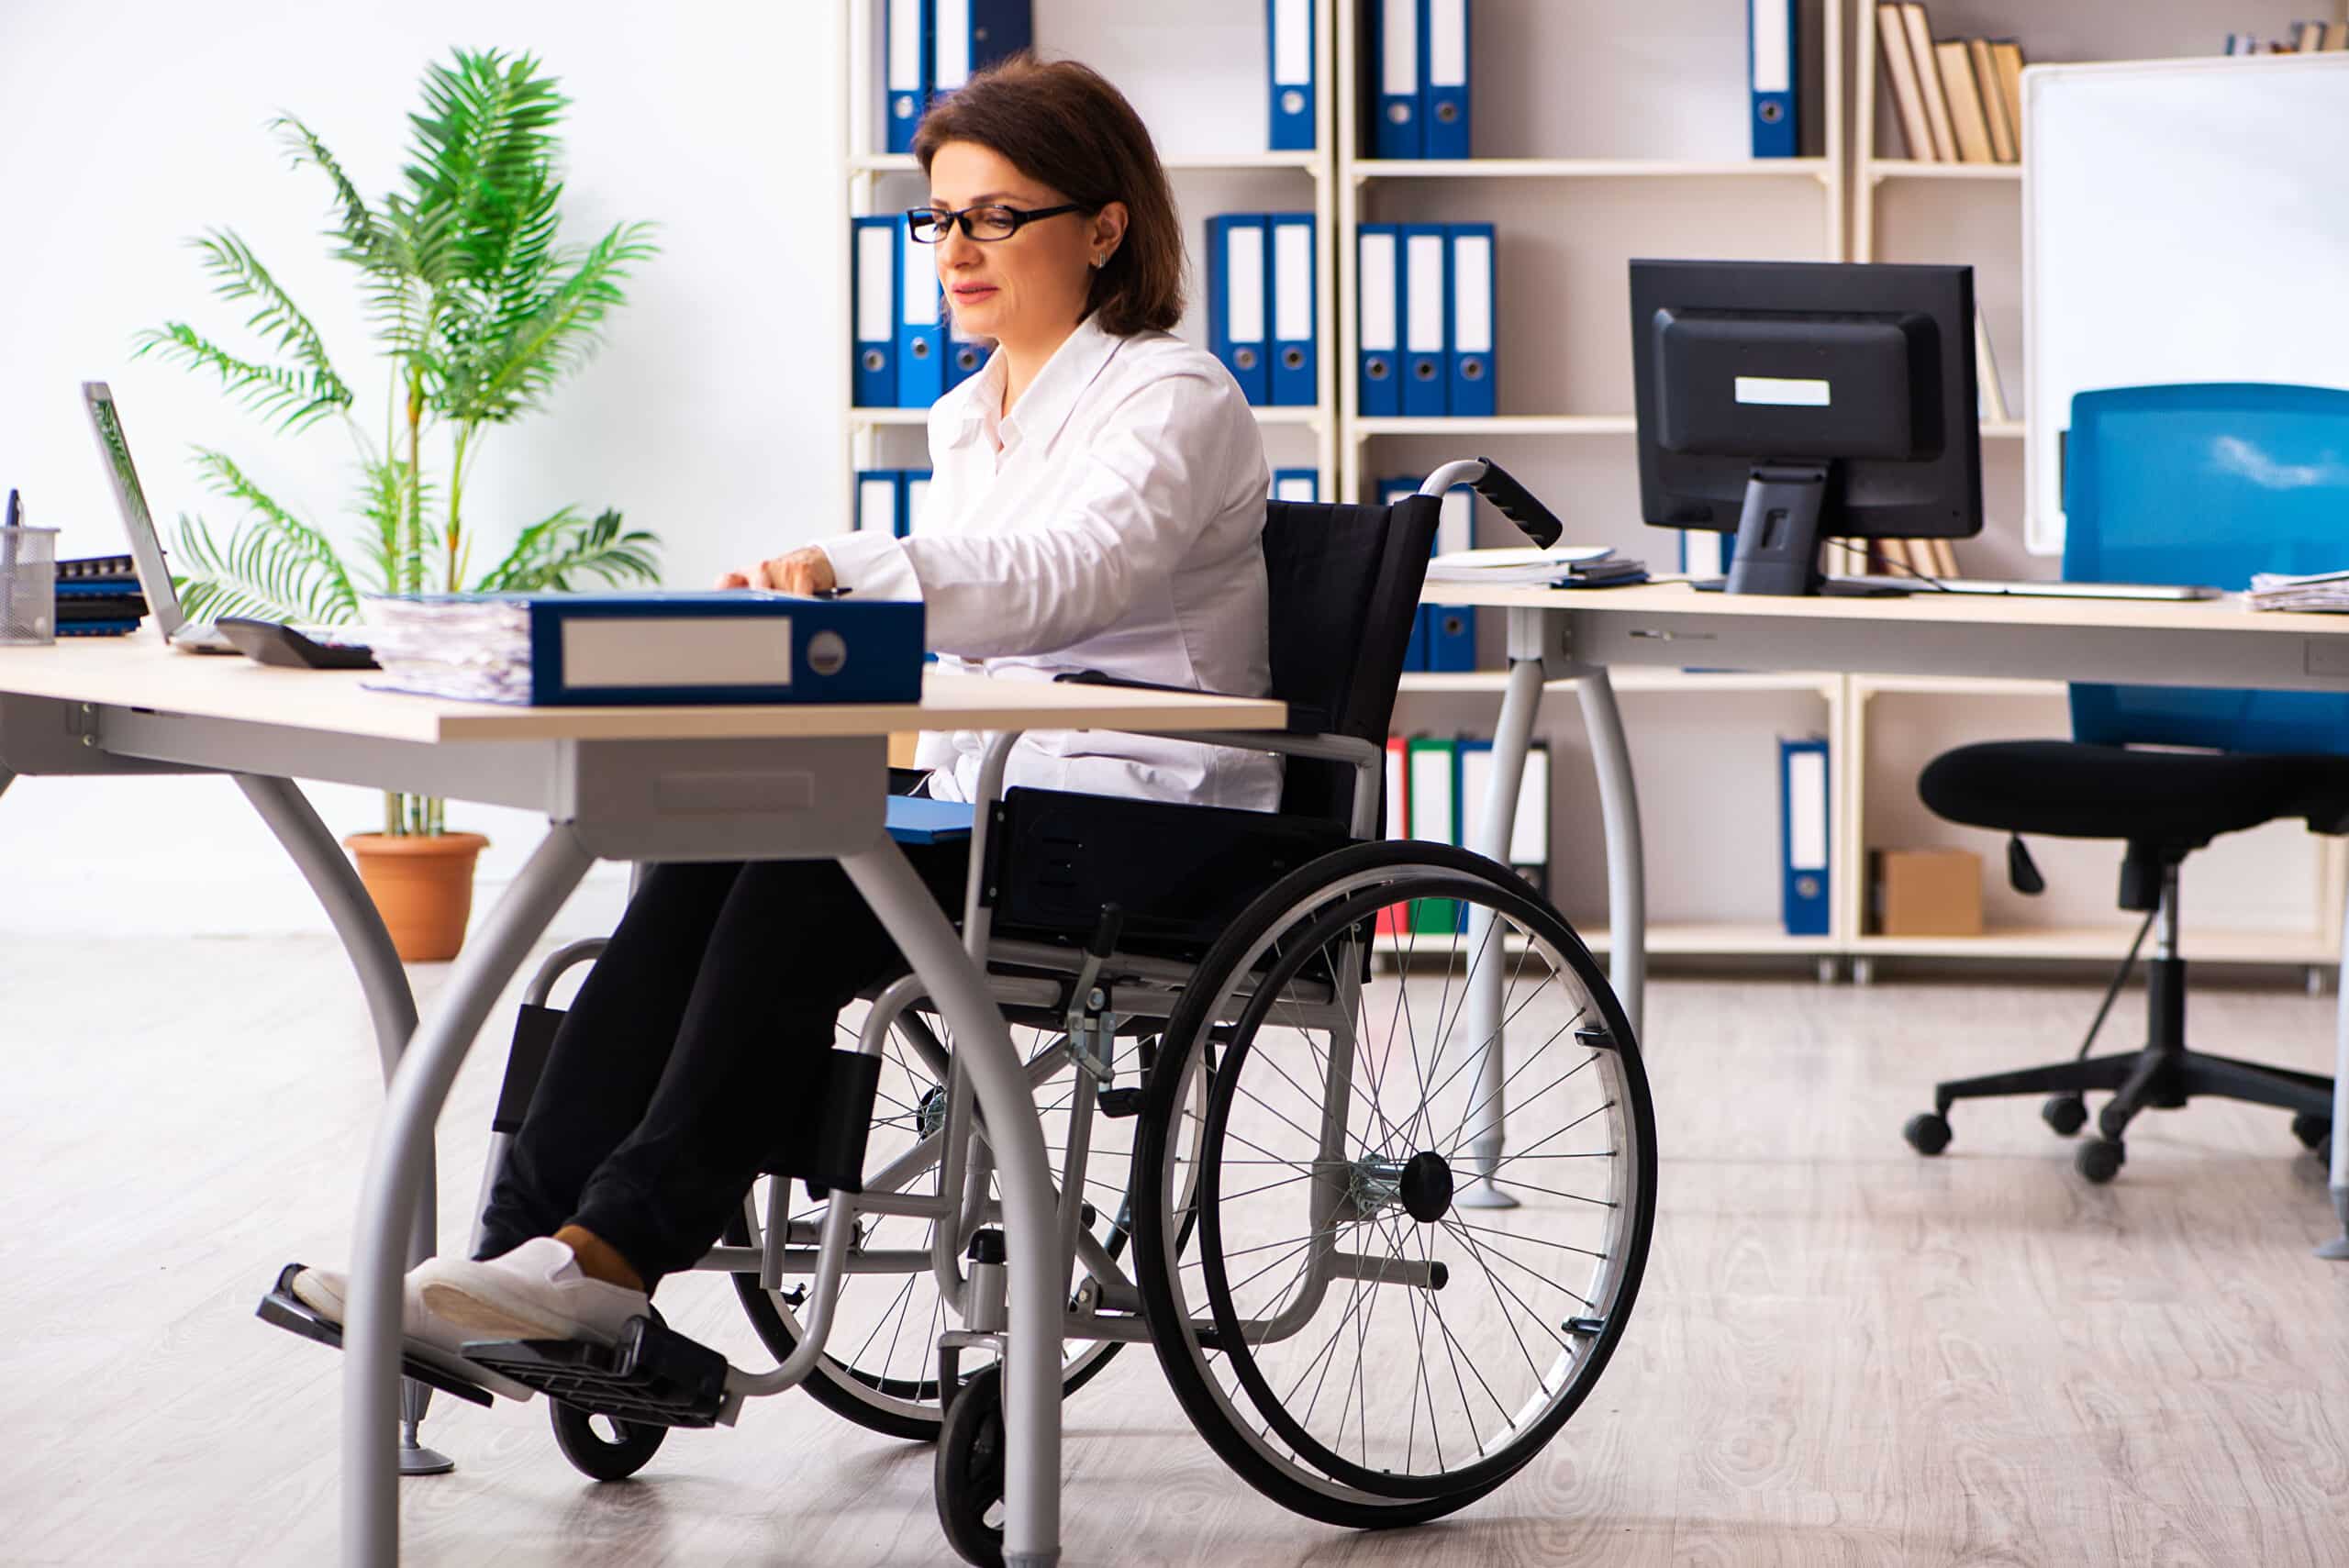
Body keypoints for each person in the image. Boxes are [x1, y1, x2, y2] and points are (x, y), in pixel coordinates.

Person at [290, 54, 1277, 1351]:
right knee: (707, 842)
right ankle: (504, 1264)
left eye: (999, 216)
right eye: (943, 218)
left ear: (1102, 227)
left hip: (1153, 818)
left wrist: (855, 567)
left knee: (819, 871)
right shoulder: (969, 417)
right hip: (1008, 799)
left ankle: (611, 1253)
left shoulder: (1174, 393)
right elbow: (978, 628)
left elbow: (1067, 578)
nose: (958, 249)